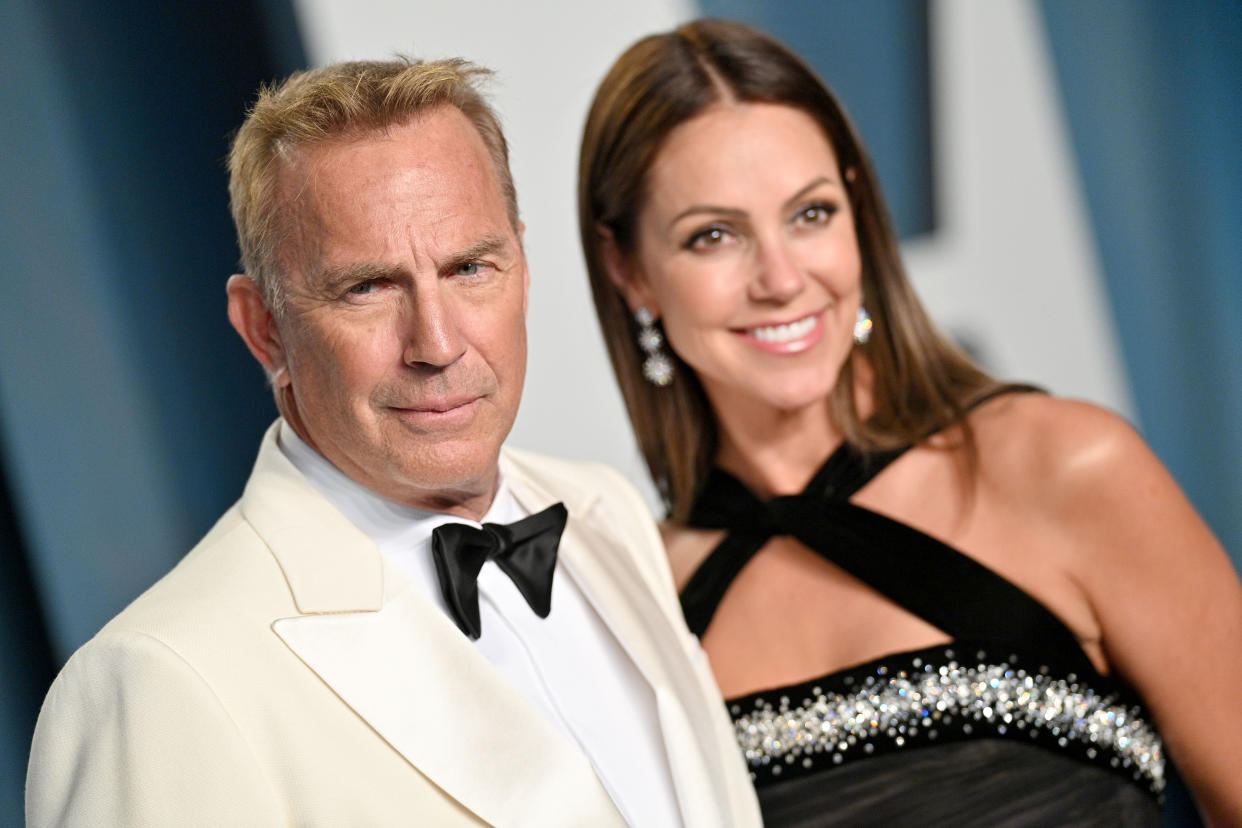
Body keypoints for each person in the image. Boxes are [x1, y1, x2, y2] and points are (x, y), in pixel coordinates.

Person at [26, 57, 762, 827]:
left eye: (470, 268)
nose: (437, 344)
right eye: (367, 287)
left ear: (522, 266)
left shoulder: (605, 513)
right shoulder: (158, 681)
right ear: (264, 329)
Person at [579, 19, 1242, 827]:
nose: (782, 278)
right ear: (630, 272)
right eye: (714, 236)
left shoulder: (1067, 467)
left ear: (857, 211)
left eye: (811, 214)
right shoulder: (645, 604)